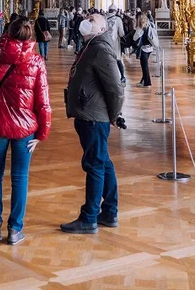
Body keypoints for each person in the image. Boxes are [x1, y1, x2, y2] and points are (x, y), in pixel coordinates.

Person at [0, 18, 51, 245]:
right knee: (20, 177)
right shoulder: (36, 61)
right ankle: (15, 229)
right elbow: (43, 101)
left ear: (7, 31)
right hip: (25, 129)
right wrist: (42, 134)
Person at [60, 14, 124, 234]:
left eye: (91, 20)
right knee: (103, 163)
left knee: (95, 165)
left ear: (102, 28)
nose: (86, 21)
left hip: (95, 118)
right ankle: (109, 211)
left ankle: (89, 217)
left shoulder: (101, 49)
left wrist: (115, 115)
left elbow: (116, 87)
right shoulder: (91, 46)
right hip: (89, 115)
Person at [134, 12, 160, 87]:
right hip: (150, 48)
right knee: (144, 65)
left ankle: (147, 83)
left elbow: (134, 38)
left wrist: (137, 31)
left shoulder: (140, 28)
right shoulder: (149, 24)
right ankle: (143, 80)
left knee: (144, 66)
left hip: (143, 49)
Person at [105, 5, 127, 84]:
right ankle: (122, 76)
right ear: (115, 11)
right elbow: (121, 33)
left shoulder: (104, 18)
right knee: (118, 59)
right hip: (115, 43)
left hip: (105, 42)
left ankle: (108, 77)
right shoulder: (118, 19)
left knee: (107, 59)